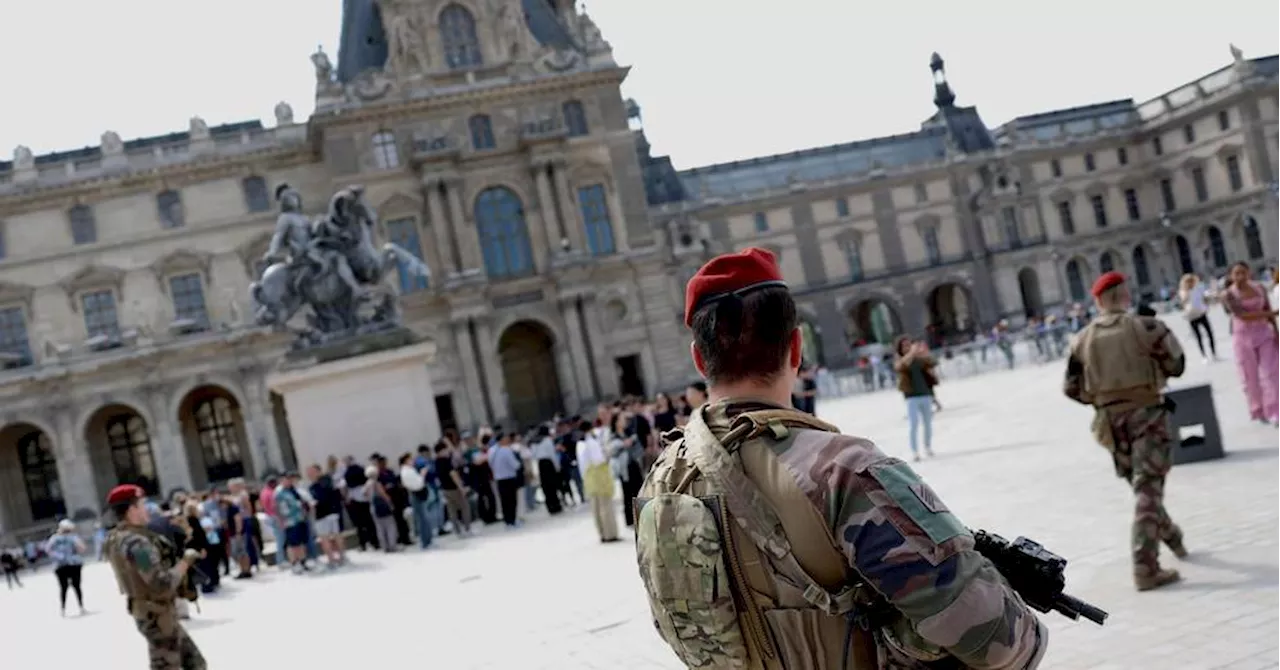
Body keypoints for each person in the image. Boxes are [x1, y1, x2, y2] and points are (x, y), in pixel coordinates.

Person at [636, 247, 1046, 668]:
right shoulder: (841, 469)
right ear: (797, 347)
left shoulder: (663, 480)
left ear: (699, 359)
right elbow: (1001, 643)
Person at [1064, 271, 1188, 591]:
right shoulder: (1147, 327)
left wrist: (1102, 399)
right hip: (1147, 414)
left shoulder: (1081, 339)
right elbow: (1177, 364)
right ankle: (1145, 567)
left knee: (1142, 487)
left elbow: (1071, 388)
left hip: (1110, 422)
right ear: (1125, 296)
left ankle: (1172, 535)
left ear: (1098, 301)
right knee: (1147, 487)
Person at [102, 485, 206, 669]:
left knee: (195, 663)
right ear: (131, 510)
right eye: (142, 504)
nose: (147, 509)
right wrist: (185, 562)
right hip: (157, 618)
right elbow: (161, 583)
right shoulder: (136, 545)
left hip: (156, 614)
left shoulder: (118, 537)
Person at [1221, 261, 1280, 425]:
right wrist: (1272, 313)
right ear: (1231, 276)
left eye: (1243, 272)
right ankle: (1258, 409)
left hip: (1264, 334)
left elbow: (1268, 309)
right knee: (1250, 376)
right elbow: (1241, 315)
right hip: (1243, 337)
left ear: (1249, 273)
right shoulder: (1228, 294)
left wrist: (1276, 332)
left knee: (1271, 372)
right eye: (1236, 273)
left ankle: (1275, 409)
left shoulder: (1259, 288)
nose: (1240, 277)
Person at [894, 335, 939, 462]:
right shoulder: (901, 359)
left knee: (928, 424)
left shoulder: (919, 358)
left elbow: (933, 362)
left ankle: (928, 446)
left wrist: (923, 353)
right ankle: (914, 451)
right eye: (905, 346)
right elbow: (901, 366)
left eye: (909, 345)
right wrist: (912, 353)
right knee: (913, 425)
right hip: (911, 397)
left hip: (925, 394)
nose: (908, 348)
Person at [576, 419, 619, 543]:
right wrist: (607, 455)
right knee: (605, 506)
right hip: (599, 476)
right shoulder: (591, 442)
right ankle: (610, 533)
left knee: (596, 508)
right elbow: (599, 459)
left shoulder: (580, 444)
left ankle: (602, 533)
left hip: (589, 478)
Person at [307, 463, 347, 567]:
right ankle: (342, 557)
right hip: (333, 512)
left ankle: (332, 560)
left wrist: (313, 505)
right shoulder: (330, 481)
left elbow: (319, 499)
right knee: (336, 535)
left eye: (311, 472)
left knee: (325, 538)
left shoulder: (318, 485)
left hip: (323, 514)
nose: (309, 474)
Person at [46, 519, 88, 617]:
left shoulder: (55, 538)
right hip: (71, 564)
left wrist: (59, 556)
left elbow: (48, 550)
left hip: (64, 565)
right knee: (73, 586)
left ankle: (66, 609)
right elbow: (82, 548)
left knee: (67, 587)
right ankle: (75, 607)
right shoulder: (69, 537)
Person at [1178, 273, 1218, 362]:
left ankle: (1213, 353)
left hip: (1201, 313)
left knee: (1210, 333)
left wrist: (1208, 301)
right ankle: (1204, 356)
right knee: (1198, 336)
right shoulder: (1183, 291)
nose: (1191, 283)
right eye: (1188, 282)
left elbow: (1204, 298)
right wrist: (1188, 292)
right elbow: (1183, 302)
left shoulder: (1199, 288)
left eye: (1192, 281)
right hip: (1192, 316)